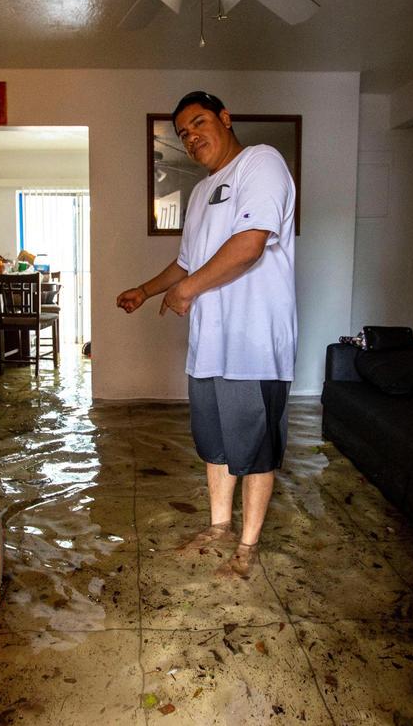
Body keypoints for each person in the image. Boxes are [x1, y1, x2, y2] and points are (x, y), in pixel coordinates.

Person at [116, 91, 296, 579]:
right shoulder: (199, 193)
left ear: (225, 117)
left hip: (255, 343)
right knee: (214, 444)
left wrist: (185, 293)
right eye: (183, 133)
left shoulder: (261, 163)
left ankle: (247, 546)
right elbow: (186, 264)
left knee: (255, 447)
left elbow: (250, 244)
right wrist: (148, 290)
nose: (191, 136)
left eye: (198, 123)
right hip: (209, 345)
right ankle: (219, 527)